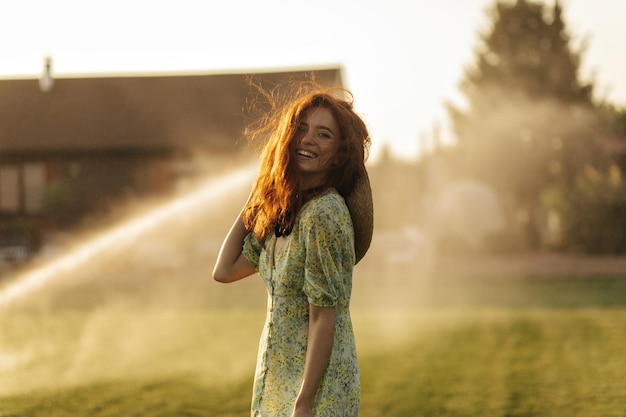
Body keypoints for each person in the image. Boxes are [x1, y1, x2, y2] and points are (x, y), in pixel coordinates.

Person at [213, 84, 373, 417]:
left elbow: (322, 318)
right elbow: (225, 270)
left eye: (323, 134)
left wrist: (305, 402)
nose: (307, 140)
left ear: (340, 154)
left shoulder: (323, 215)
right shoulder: (287, 213)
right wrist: (259, 195)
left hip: (316, 392)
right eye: (300, 129)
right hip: (279, 381)